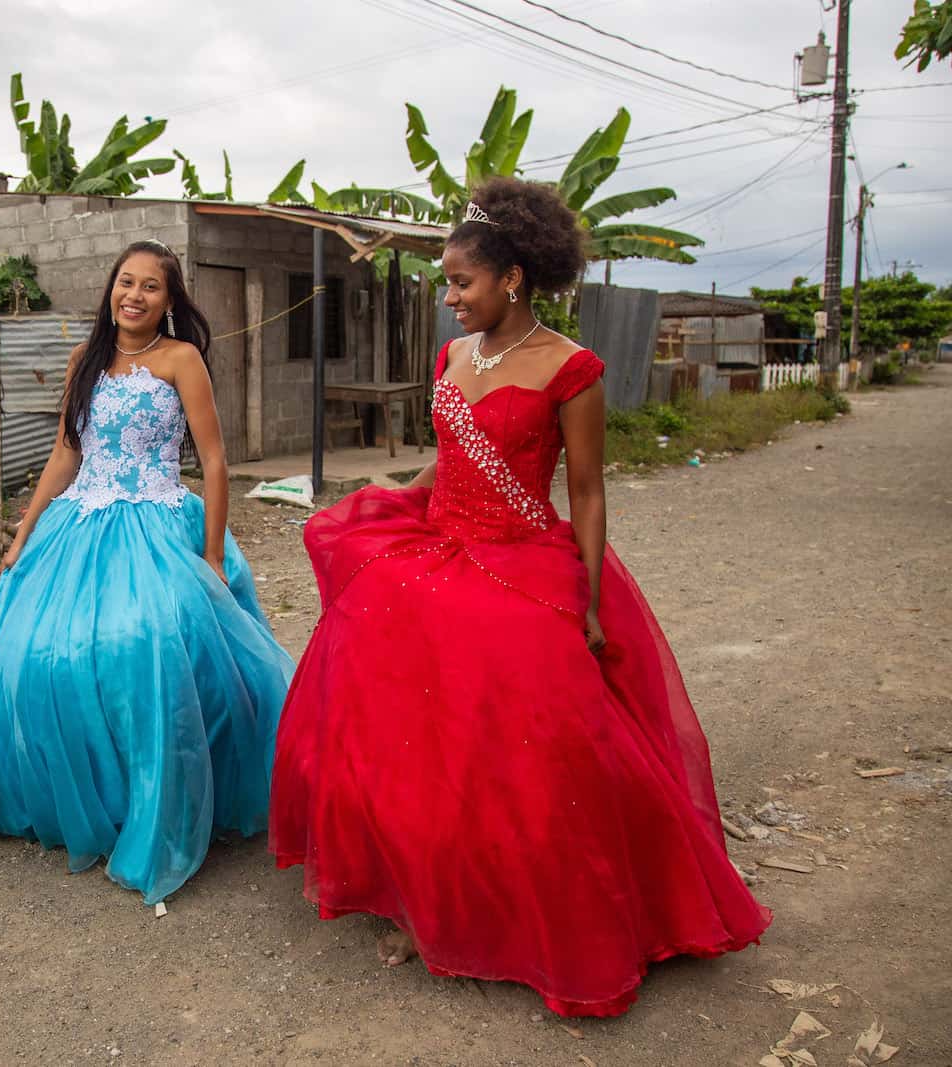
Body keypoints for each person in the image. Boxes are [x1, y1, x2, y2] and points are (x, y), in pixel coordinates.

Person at [269, 179, 771, 1017]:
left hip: (524, 556)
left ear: (513, 279)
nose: (451, 298)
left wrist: (591, 593)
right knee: (407, 711)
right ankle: (425, 892)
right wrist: (399, 496)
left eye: (462, 282)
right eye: (447, 284)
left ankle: (545, 905)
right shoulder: (451, 358)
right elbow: (450, 464)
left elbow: (587, 491)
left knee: (531, 731)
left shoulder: (573, 369)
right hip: (442, 541)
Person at [0, 241, 295, 905]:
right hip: (80, 521)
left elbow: (214, 462)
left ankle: (164, 800)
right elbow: (66, 452)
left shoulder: (180, 360)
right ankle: (69, 797)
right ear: (111, 289)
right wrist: (26, 527)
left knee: (149, 648)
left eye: (150, 286)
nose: (134, 295)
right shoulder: (86, 360)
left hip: (158, 523)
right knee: (7, 638)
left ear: (169, 299)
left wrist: (212, 555)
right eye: (125, 282)